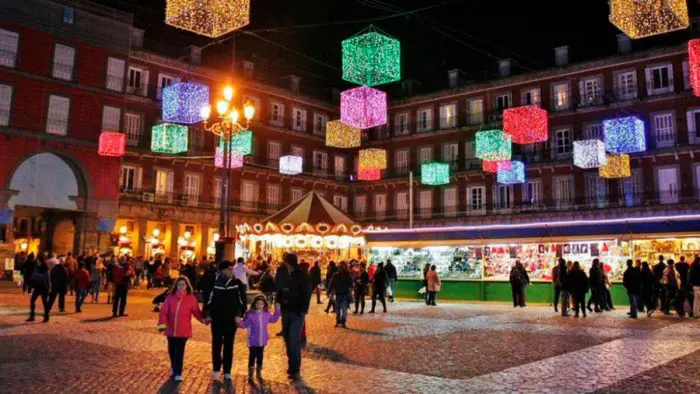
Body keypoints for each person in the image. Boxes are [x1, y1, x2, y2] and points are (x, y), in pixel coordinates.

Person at [157, 276, 206, 382]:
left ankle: (178, 372)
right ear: (176, 286)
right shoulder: (170, 298)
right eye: (179, 284)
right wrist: (162, 325)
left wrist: (204, 320)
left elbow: (197, 312)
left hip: (183, 330)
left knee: (179, 352)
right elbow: (164, 312)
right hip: (171, 330)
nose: (181, 287)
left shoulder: (191, 298)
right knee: (172, 351)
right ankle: (174, 368)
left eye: (183, 284)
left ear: (187, 286)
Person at [204, 260, 246, 380]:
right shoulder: (214, 283)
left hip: (231, 320)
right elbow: (208, 301)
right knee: (216, 344)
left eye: (232, 269)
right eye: (228, 269)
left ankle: (227, 370)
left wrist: (239, 315)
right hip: (217, 319)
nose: (231, 271)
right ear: (222, 270)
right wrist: (207, 314)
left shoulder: (237, 283)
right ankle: (216, 369)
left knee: (229, 344)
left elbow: (241, 302)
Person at [274, 253, 312, 381]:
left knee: (294, 340)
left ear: (287, 262)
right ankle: (291, 366)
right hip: (286, 310)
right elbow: (280, 289)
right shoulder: (285, 274)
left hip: (296, 312)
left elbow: (306, 295)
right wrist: (278, 301)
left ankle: (295, 369)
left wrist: (302, 311)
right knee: (287, 338)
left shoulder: (302, 276)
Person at [238, 295, 281, 382]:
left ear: (264, 305)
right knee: (252, 357)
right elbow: (244, 324)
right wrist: (238, 321)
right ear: (254, 304)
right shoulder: (250, 315)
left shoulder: (266, 314)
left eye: (261, 304)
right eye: (257, 303)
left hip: (262, 340)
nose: (259, 305)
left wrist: (277, 310)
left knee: (260, 357)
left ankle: (258, 374)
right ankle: (250, 376)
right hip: (252, 340)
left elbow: (273, 320)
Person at [329, 261, 353, 327]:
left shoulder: (347, 275)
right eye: (340, 266)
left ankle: (343, 321)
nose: (341, 268)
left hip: (345, 294)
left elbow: (351, 283)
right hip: (338, 294)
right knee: (337, 309)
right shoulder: (335, 275)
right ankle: (338, 321)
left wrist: (351, 288)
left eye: (342, 266)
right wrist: (330, 292)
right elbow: (332, 284)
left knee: (344, 309)